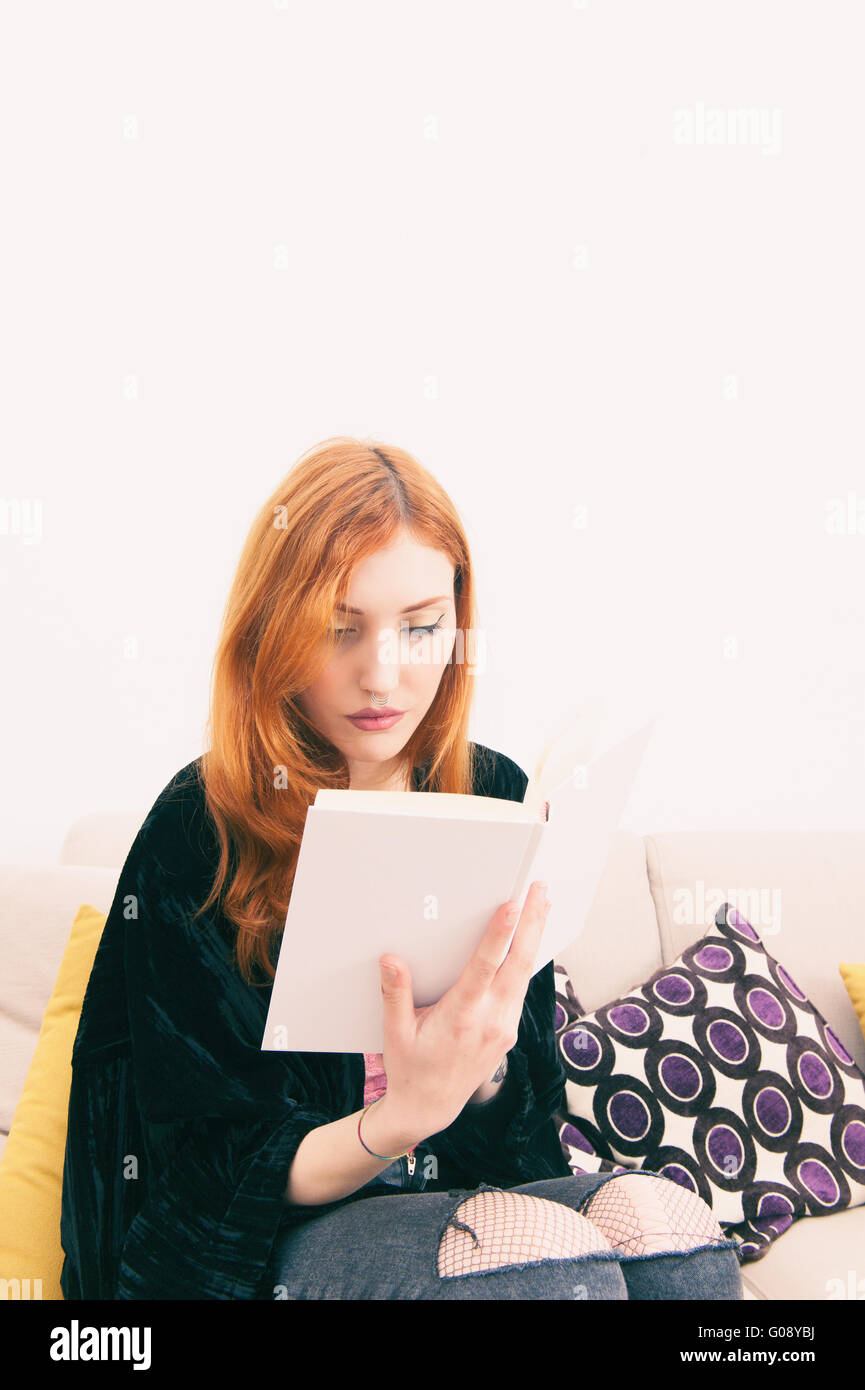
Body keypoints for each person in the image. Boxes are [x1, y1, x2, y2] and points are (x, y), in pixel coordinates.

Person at [60, 437, 743, 1300]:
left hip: (454, 1207)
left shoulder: (492, 793)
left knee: (665, 1223)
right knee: (527, 1252)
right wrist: (397, 1121)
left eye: (420, 628)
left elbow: (526, 1139)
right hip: (258, 1244)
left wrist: (482, 1069)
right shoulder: (204, 823)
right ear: (274, 626)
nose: (382, 673)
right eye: (338, 630)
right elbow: (200, 1172)